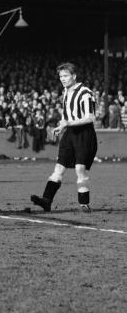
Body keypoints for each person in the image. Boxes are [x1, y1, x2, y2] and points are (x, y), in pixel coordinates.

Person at [30, 62, 97, 213]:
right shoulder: (65, 92)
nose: (63, 79)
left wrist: (68, 123)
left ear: (74, 76)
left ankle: (84, 204)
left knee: (80, 169)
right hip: (70, 134)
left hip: (84, 134)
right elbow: (65, 116)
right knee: (59, 167)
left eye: (66, 76)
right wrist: (61, 126)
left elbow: (90, 118)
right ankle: (46, 200)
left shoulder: (85, 93)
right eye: (61, 76)